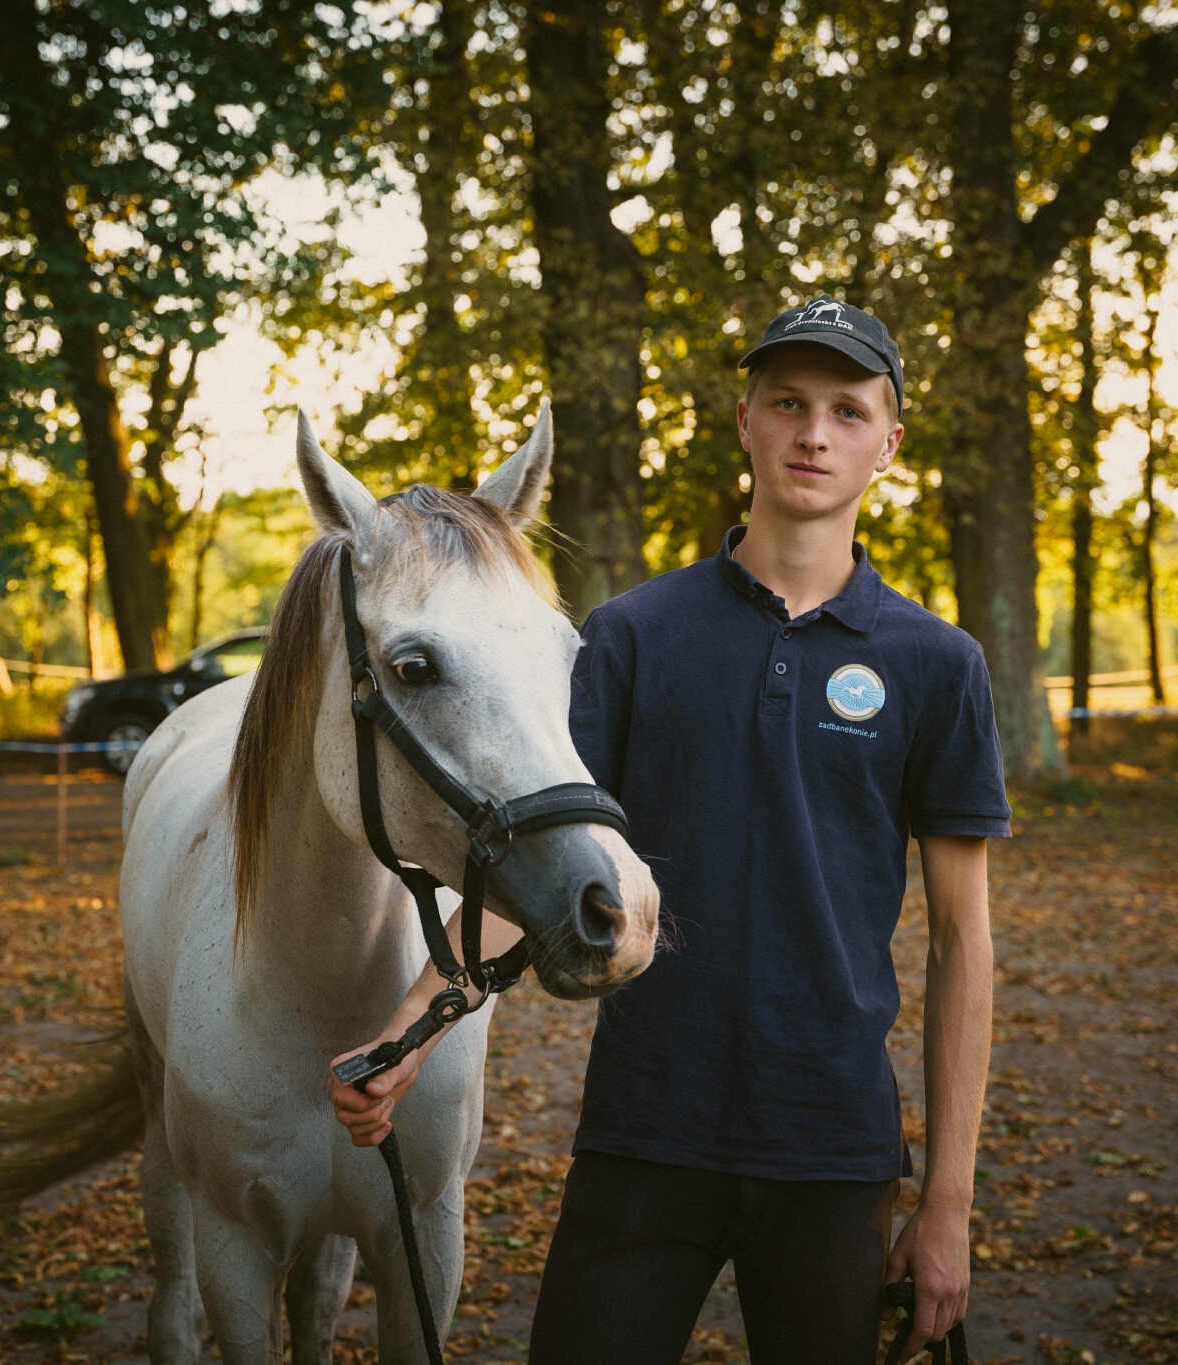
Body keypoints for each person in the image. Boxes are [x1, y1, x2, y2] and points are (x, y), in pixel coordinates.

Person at [330, 296, 1008, 1364]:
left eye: (844, 409)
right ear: (744, 420)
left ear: (888, 442)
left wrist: (948, 1206)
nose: (812, 433)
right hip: (644, 1135)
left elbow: (963, 942)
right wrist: (414, 1024)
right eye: (786, 403)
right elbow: (551, 866)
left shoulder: (936, 663)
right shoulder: (632, 635)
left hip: (832, 1148)